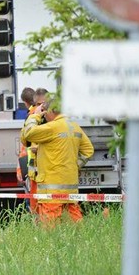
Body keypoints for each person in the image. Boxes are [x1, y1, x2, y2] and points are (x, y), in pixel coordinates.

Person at [20, 96, 93, 224]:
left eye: (45, 112)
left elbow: (28, 133)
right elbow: (88, 150)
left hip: (52, 190)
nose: (45, 116)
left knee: (49, 232)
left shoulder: (53, 127)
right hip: (70, 188)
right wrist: (75, 166)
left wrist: (34, 116)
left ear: (51, 111)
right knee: (76, 228)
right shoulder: (74, 126)